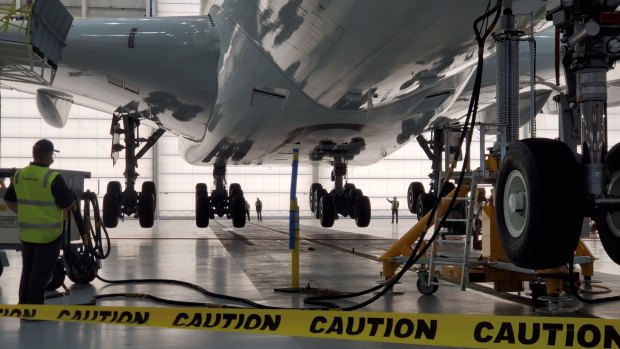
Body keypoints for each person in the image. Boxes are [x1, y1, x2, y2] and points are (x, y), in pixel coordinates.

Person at [3, 139, 72, 306]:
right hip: (49, 235)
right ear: (48, 155)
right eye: (53, 155)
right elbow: (67, 203)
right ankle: (35, 310)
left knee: (27, 271)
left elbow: (9, 200)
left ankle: (24, 306)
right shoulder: (52, 177)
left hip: (26, 234)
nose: (53, 159)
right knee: (40, 273)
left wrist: (27, 213)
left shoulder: (19, 175)